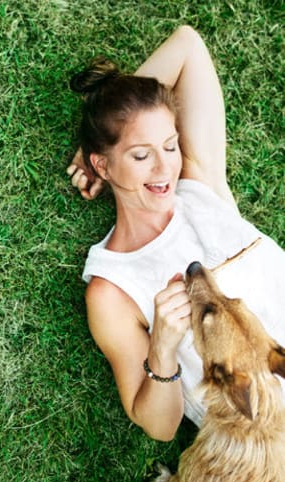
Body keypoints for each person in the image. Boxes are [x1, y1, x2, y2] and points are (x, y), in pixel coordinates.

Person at [67, 25, 285, 441]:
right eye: (140, 155)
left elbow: (187, 44)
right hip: (270, 448)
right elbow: (159, 426)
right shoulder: (112, 289)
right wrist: (162, 347)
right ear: (104, 166)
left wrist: (96, 133)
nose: (165, 168)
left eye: (169, 145)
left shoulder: (201, 188)